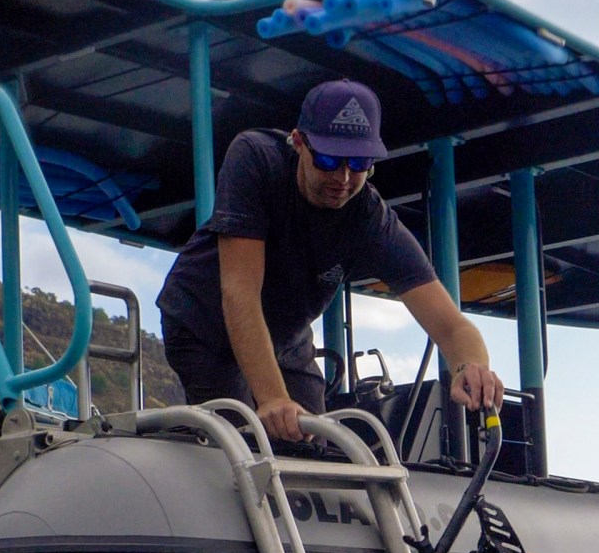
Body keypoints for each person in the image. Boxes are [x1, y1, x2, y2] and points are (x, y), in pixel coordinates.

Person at [156, 79, 505, 441]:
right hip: (204, 324)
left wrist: (470, 366)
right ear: (298, 142)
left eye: (359, 163)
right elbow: (240, 293)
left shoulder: (371, 219)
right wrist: (273, 398)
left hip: (286, 341)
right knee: (243, 439)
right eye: (328, 160)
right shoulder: (256, 157)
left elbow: (452, 327)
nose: (343, 178)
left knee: (318, 445)